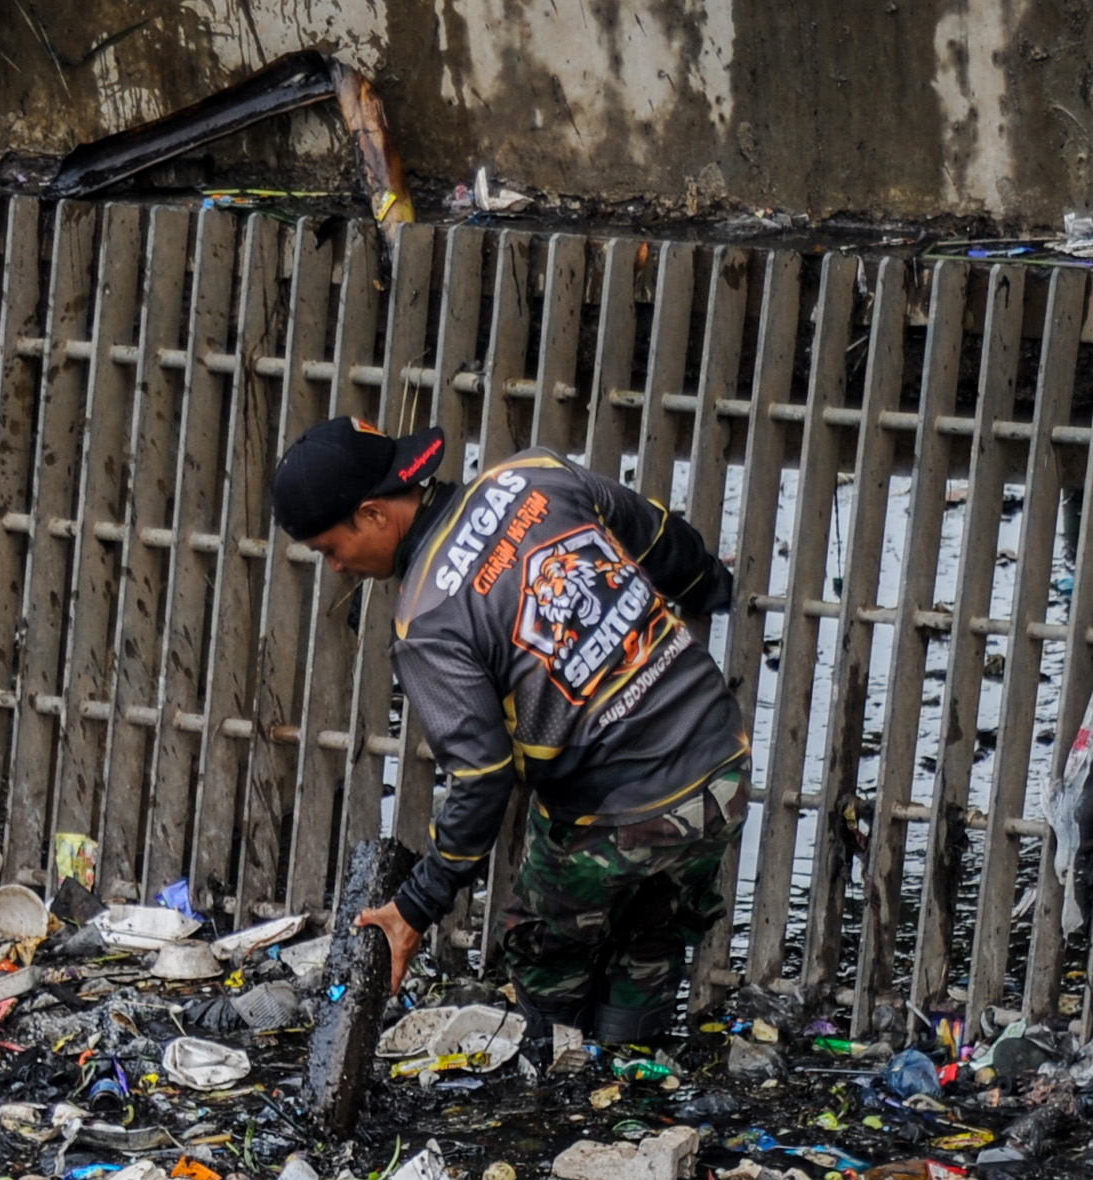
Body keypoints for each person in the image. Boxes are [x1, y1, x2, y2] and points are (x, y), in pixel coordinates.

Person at [272, 418, 743, 1047]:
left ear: (374, 514)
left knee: (545, 956)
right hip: (722, 765)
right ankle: (634, 1086)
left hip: (619, 810)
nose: (334, 569)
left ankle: (562, 1086)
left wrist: (416, 906)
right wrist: (710, 586)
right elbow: (658, 536)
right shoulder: (532, 474)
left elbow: (481, 779)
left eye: (329, 549)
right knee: (651, 935)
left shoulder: (427, 622)